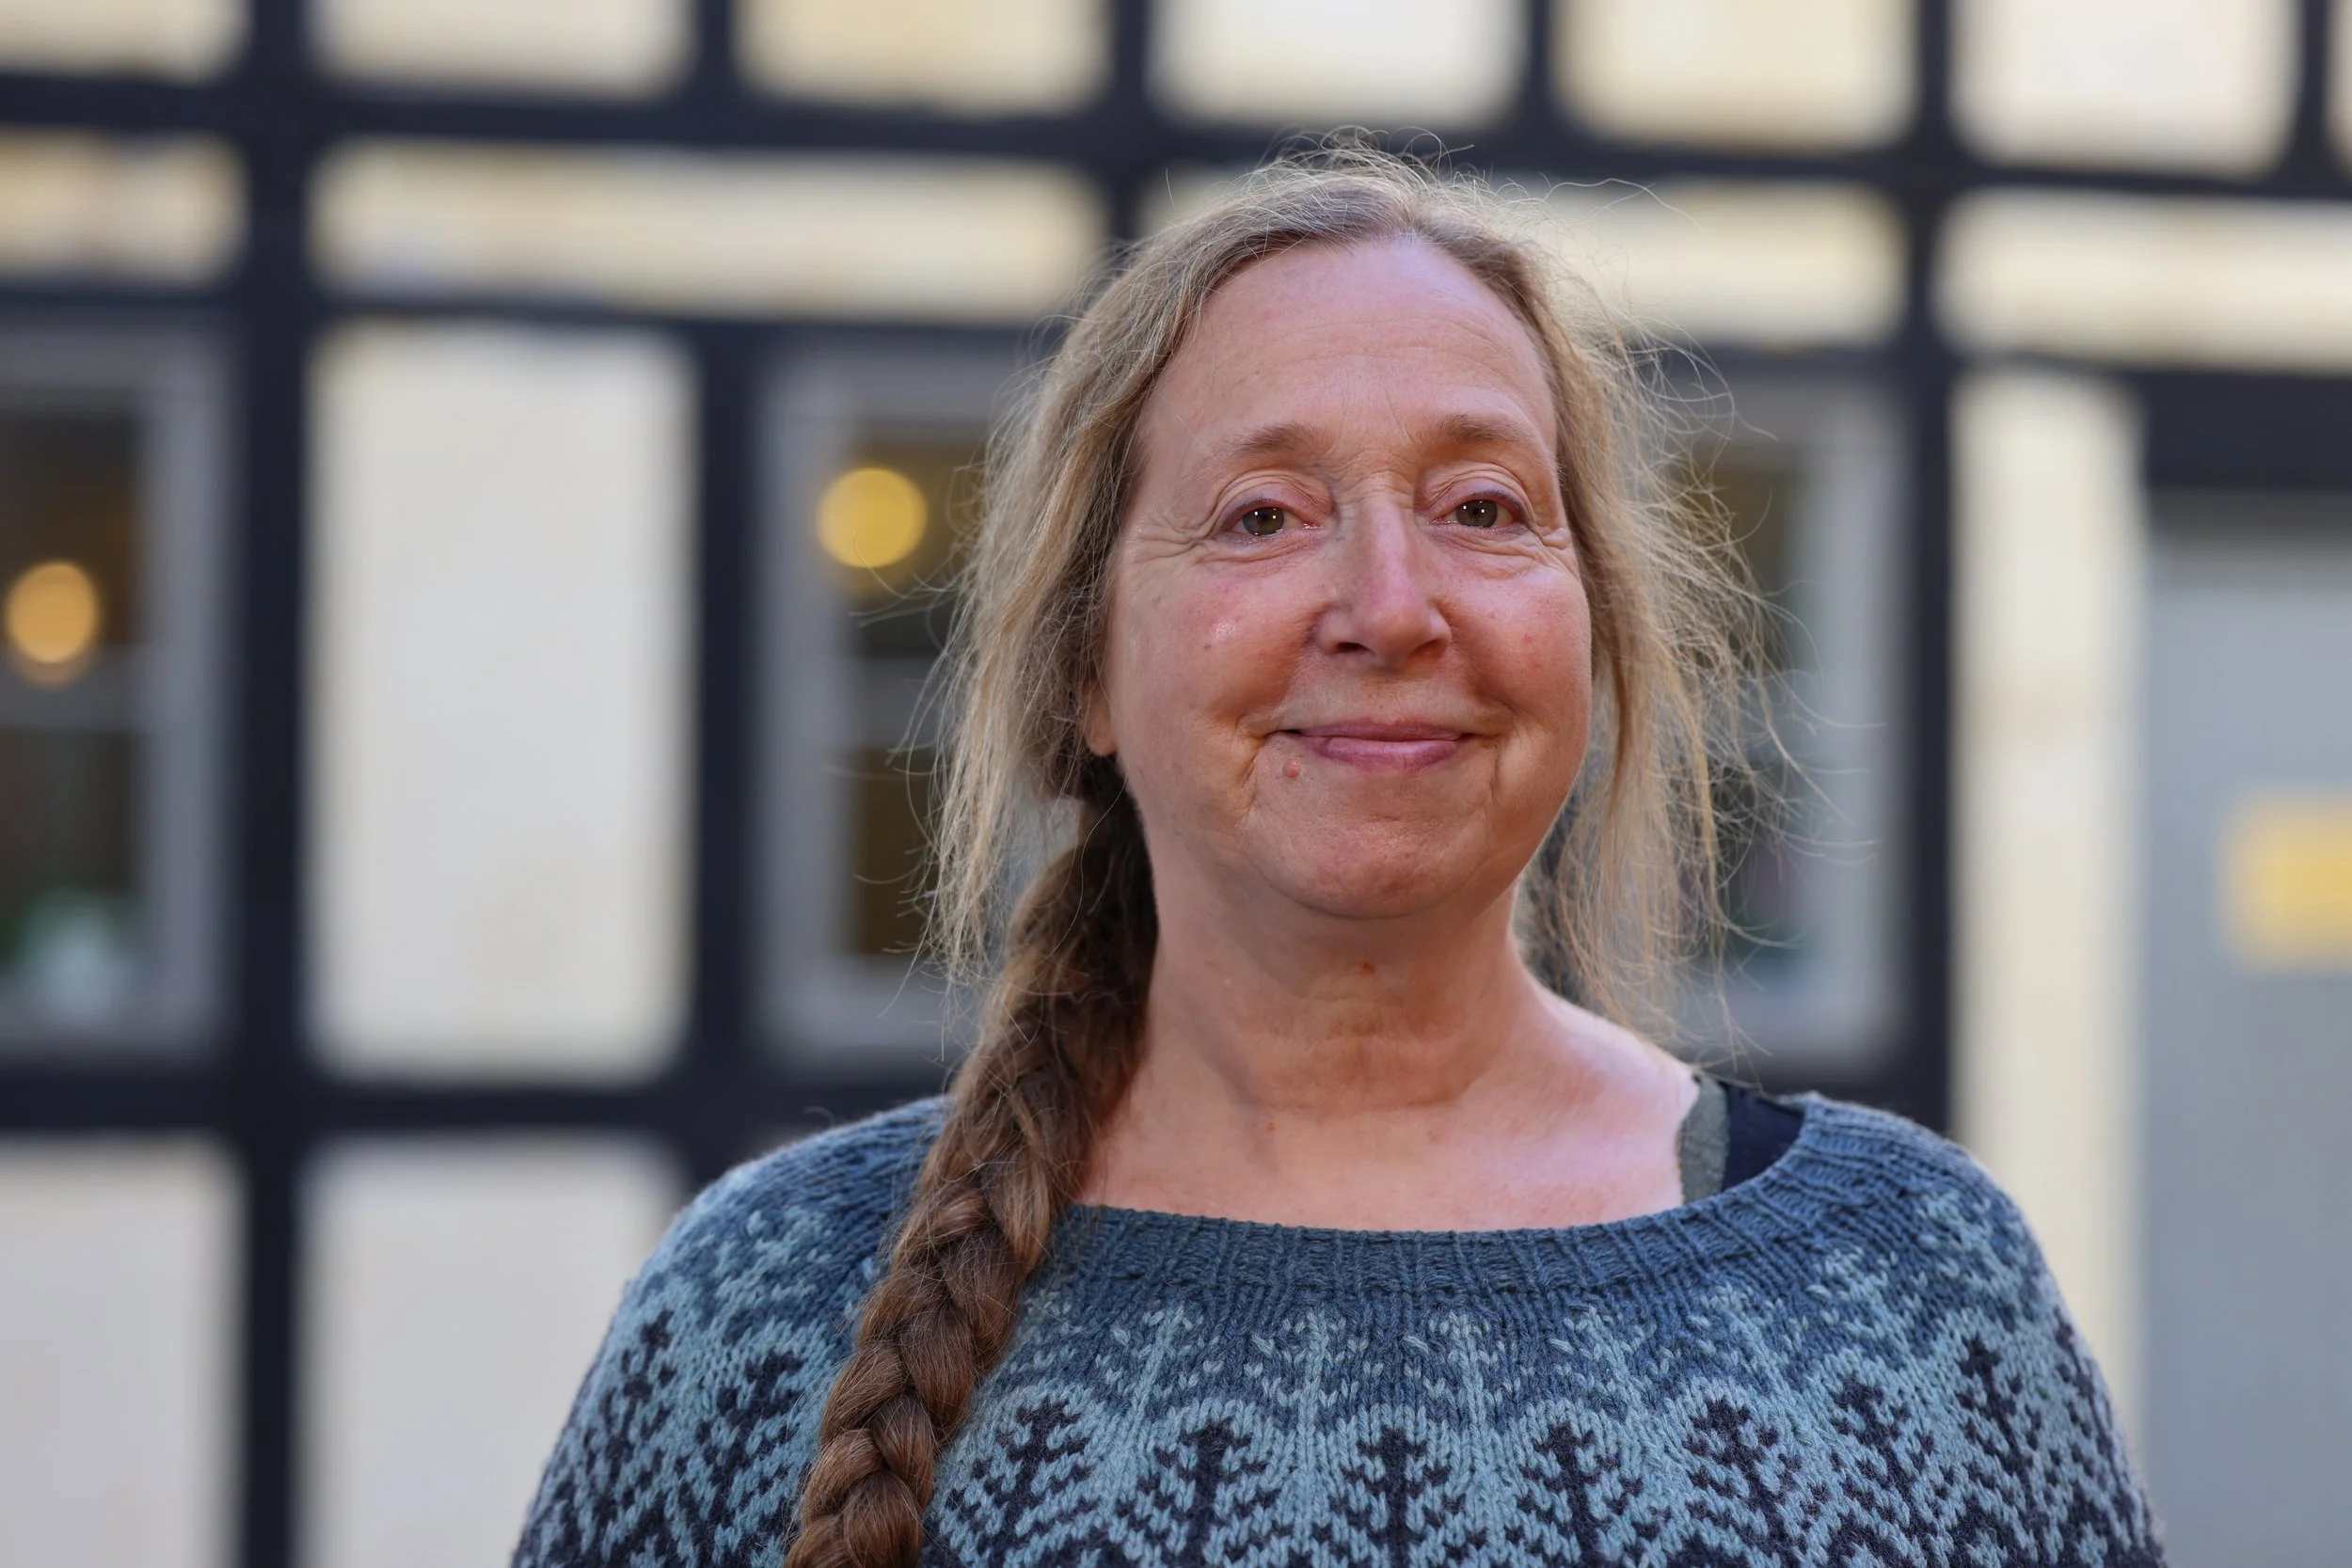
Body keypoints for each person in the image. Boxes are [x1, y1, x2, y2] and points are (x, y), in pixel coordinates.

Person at [513, 151, 2163, 1568]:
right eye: (1263, 514)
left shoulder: (1911, 1290)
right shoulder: (758, 1316)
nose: (1390, 605)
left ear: (1593, 633)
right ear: (1087, 670)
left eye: (1484, 507)